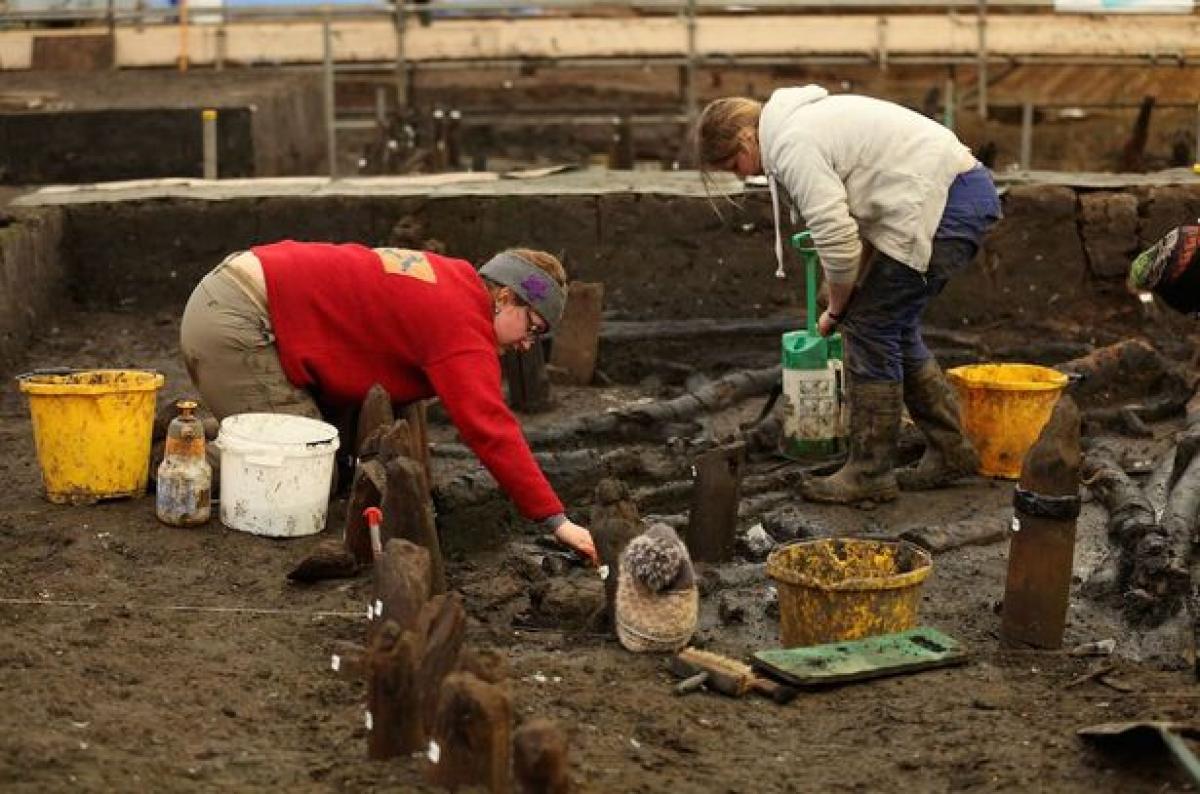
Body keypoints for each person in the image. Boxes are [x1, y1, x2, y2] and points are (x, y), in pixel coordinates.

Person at [180, 240, 598, 563]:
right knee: (308, 475)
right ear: (505, 297)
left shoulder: (454, 279)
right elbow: (488, 426)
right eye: (532, 328)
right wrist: (555, 520)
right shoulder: (462, 326)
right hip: (240, 318)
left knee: (329, 451)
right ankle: (173, 467)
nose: (528, 345)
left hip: (240, 290)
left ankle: (184, 437)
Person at [694, 85, 1002, 504]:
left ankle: (870, 472)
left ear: (747, 138)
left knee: (873, 328)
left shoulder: (791, 143)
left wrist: (839, 308)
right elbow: (872, 217)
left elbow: (838, 238)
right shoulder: (805, 122)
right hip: (955, 194)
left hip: (945, 206)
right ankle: (951, 449)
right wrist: (843, 294)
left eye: (735, 163)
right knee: (893, 325)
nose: (742, 173)